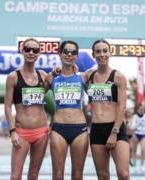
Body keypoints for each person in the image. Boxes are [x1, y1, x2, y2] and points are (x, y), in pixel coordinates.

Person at [4, 37, 50, 180]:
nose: (31, 52)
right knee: (15, 176)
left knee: (33, 175)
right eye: (27, 49)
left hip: (41, 132)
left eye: (35, 50)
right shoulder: (13, 77)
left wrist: (70, 68)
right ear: (22, 51)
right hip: (21, 132)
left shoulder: (43, 75)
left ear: (39, 53)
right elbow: (7, 107)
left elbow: (62, 78)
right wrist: (13, 131)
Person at [84, 39, 129, 180]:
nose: (101, 54)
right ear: (93, 55)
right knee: (102, 176)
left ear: (110, 53)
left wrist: (114, 133)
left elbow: (122, 106)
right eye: (98, 51)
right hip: (97, 130)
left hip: (115, 128)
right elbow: (69, 75)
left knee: (124, 174)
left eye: (105, 51)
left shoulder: (118, 77)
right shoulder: (88, 75)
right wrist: (58, 70)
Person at [45, 40, 89, 180]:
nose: (69, 55)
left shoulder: (83, 77)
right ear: (60, 54)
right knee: (57, 176)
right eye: (66, 52)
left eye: (73, 52)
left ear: (77, 56)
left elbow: (98, 98)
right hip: (59, 129)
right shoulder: (51, 77)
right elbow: (34, 97)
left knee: (77, 175)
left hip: (79, 129)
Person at [130, 103, 145, 173]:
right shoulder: (135, 116)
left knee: (143, 150)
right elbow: (132, 127)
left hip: (143, 134)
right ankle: (135, 166)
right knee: (134, 150)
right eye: (140, 109)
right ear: (137, 109)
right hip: (136, 134)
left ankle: (141, 166)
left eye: (143, 109)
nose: (141, 110)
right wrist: (139, 123)